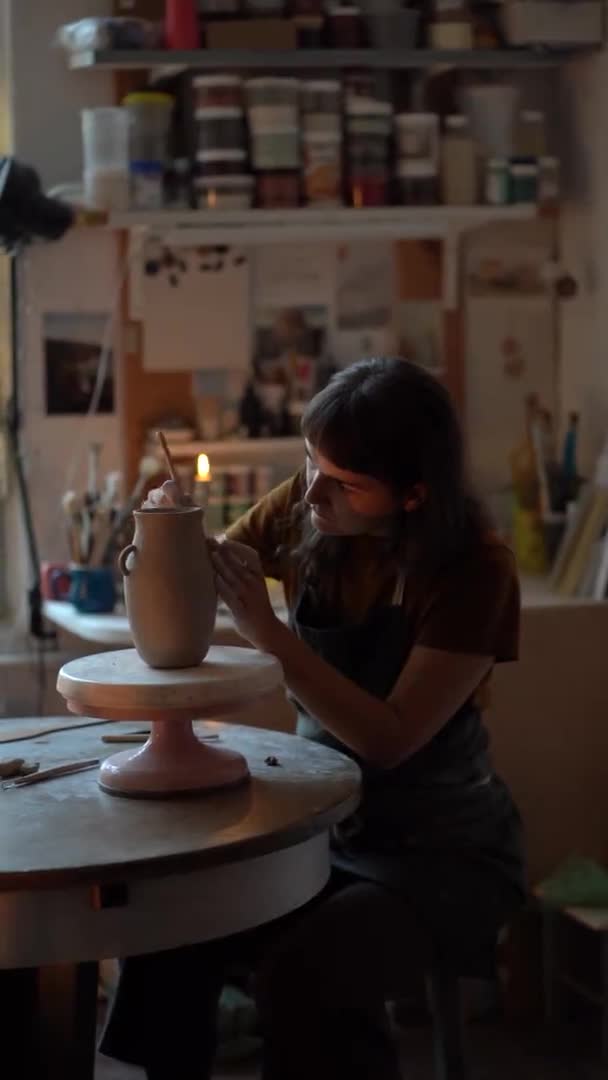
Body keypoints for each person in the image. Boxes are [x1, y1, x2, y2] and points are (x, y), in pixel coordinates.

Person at [101, 356, 525, 1080]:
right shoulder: (310, 501)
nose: (313, 491)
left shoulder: (474, 570)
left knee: (307, 975)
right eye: (309, 463)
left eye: (345, 484)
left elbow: (388, 740)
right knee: (170, 922)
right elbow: (209, 565)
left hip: (439, 854)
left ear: (414, 494)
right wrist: (169, 526)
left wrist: (270, 635)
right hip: (325, 827)